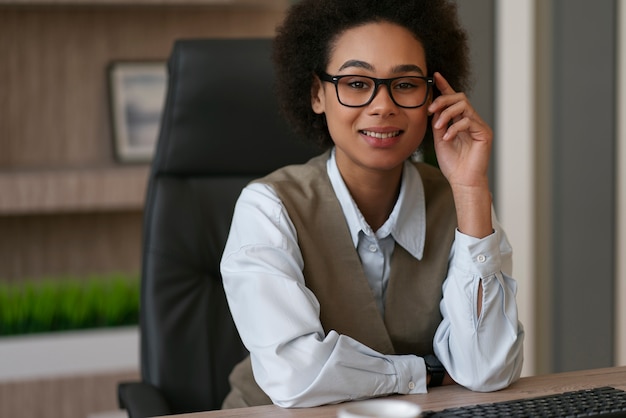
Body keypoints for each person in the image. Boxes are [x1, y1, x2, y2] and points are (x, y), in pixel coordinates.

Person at [220, 0, 524, 409]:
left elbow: (487, 370)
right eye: (357, 83)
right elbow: (296, 376)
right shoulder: (269, 208)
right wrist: (426, 372)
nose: (383, 106)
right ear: (317, 94)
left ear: (434, 96)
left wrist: (470, 189)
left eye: (405, 84)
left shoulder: (461, 203)